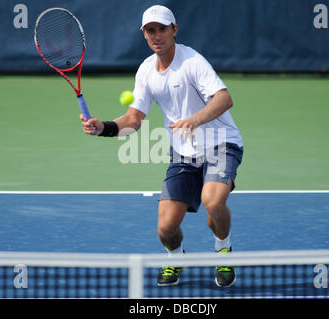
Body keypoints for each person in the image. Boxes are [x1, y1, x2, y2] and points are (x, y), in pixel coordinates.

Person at [81, 5, 243, 288]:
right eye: (150, 30)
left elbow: (224, 99)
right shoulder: (146, 70)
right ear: (144, 35)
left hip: (221, 143)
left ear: (174, 30)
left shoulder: (192, 61)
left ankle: (223, 250)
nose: (157, 35)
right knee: (166, 229)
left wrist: (194, 120)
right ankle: (176, 258)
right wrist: (103, 128)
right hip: (183, 154)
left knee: (213, 201)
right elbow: (134, 120)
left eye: (162, 29)